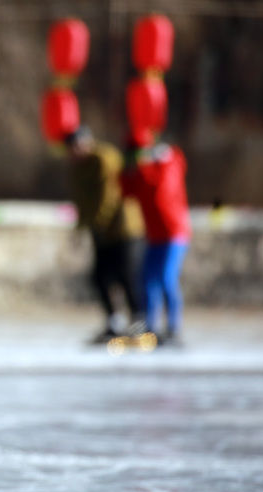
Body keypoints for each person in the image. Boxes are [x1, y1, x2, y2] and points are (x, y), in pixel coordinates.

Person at [64, 126, 146, 343]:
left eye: (76, 147)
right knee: (99, 277)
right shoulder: (79, 167)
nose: (74, 153)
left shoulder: (104, 158)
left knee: (126, 275)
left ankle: (140, 322)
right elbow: (84, 200)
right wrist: (82, 226)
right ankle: (115, 322)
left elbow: (108, 196)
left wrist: (96, 223)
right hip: (101, 229)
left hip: (123, 227)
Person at [120, 132, 192, 345]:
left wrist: (156, 160)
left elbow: (161, 192)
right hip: (154, 236)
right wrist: (126, 170)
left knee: (166, 279)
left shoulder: (167, 166)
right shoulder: (143, 174)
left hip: (173, 233)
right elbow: (126, 193)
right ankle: (150, 328)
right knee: (147, 280)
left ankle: (173, 328)